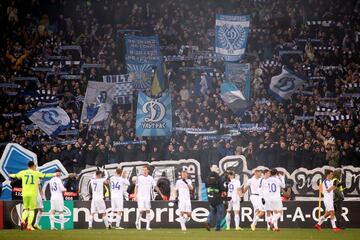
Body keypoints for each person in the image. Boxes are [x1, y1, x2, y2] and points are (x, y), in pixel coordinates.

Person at [9, 161, 57, 231]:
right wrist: (54, 174)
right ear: (33, 166)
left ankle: (22, 220)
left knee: (26, 209)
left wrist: (10, 175)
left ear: (28, 166)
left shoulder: (23, 172)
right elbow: (45, 175)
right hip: (32, 194)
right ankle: (29, 225)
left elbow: (15, 175)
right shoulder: (36, 173)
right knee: (31, 210)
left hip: (25, 193)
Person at [134, 165, 164, 230]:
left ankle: (148, 226)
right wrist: (135, 195)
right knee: (141, 211)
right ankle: (137, 222)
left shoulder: (150, 178)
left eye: (145, 170)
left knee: (148, 211)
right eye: (143, 170)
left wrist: (161, 194)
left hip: (147, 197)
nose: (144, 171)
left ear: (148, 171)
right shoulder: (139, 178)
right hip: (140, 197)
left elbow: (155, 186)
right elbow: (136, 187)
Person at [205, 165, 226, 231]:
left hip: (210, 198)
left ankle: (208, 222)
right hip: (218, 199)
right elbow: (222, 188)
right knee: (220, 213)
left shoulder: (207, 178)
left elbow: (206, 186)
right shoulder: (218, 178)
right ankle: (218, 227)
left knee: (212, 211)